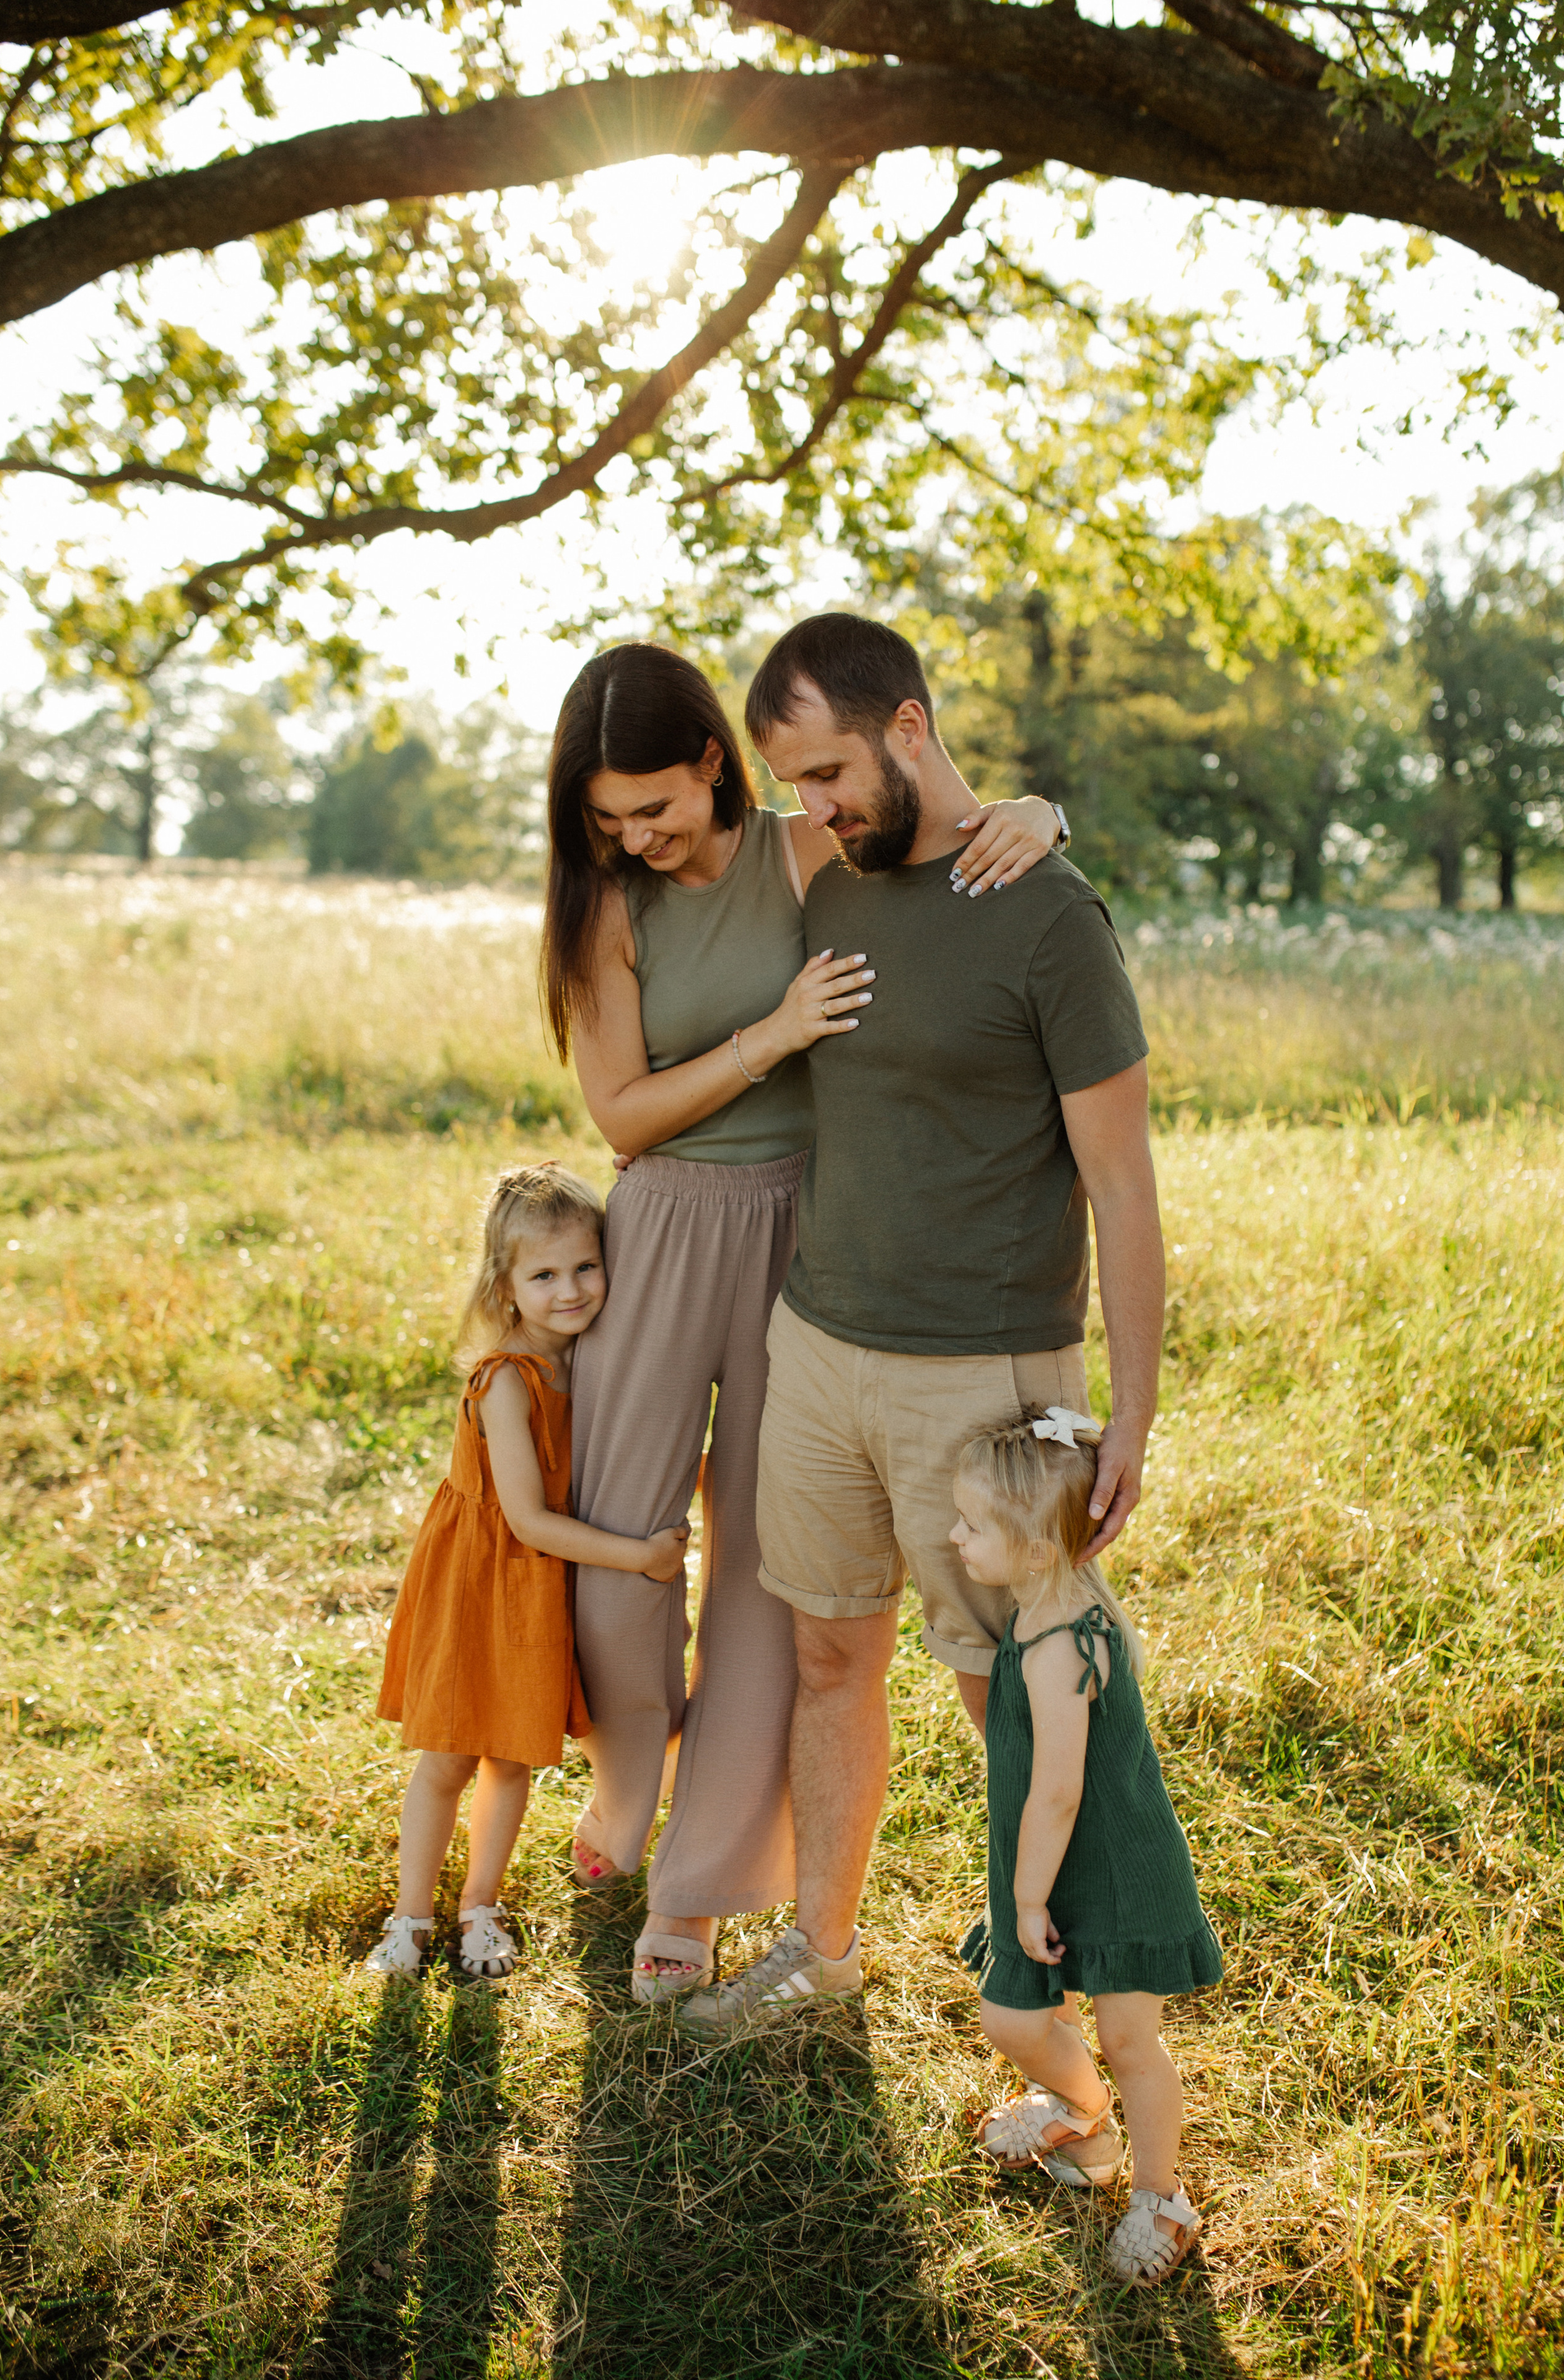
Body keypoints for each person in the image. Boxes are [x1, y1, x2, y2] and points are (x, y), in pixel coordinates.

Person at [543, 642, 1065, 2001]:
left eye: (653, 806)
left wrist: (1040, 813)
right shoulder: (605, 905)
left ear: (714, 763)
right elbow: (622, 1114)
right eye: (608, 819)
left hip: (803, 1229)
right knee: (618, 1551)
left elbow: (938, 843)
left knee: (764, 1573)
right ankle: (620, 1788)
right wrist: (769, 1038)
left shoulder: (803, 853)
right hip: (661, 1228)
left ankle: (700, 1882)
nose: (636, 837)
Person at [678, 613, 1163, 2038]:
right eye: (791, 787)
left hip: (985, 1382)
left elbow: (1121, 1187)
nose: (811, 810)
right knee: (832, 1656)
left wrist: (1129, 1415)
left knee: (1009, 1700)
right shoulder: (829, 876)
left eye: (828, 771)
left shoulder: (1048, 915)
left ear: (907, 726)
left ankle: (1075, 2018)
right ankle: (821, 1950)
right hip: (816, 1349)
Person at [365, 1163, 689, 1983]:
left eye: (586, 1267)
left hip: (534, 1589)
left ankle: (481, 1904)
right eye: (544, 1275)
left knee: (509, 1758)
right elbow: (527, 1520)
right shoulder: (507, 1381)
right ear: (505, 1287)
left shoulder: (590, 1362)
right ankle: (410, 1916)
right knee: (448, 1757)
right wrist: (643, 1556)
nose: (571, 1289)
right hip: (481, 1584)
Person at [951, 1407, 1220, 2289]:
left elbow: (1061, 1792)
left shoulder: (1061, 1648)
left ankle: (1160, 2198)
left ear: (1033, 1549)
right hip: (1056, 1861)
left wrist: (1028, 1900)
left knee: (1128, 2035)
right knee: (1016, 2015)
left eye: (970, 1524)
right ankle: (1079, 2111)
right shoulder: (1038, 1611)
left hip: (1111, 1870)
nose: (954, 1535)